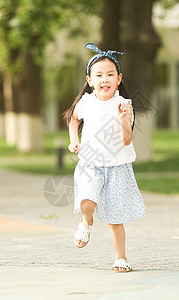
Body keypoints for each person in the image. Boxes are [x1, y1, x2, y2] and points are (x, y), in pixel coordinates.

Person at [63, 42, 145, 273]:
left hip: (117, 167)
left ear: (119, 79)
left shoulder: (124, 105)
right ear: (89, 80)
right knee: (87, 201)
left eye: (110, 74)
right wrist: (74, 139)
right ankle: (86, 220)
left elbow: (127, 140)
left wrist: (122, 119)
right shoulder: (86, 102)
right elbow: (73, 119)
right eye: (99, 75)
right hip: (90, 163)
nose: (104, 79)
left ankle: (121, 257)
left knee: (114, 218)